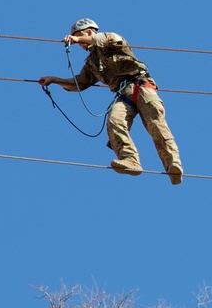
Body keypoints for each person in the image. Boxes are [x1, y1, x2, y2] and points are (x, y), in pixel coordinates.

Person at [39, 19, 183, 185]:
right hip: (123, 94)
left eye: (79, 36)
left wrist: (77, 39)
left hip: (141, 87)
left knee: (156, 125)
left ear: (90, 32)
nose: (78, 42)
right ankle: (130, 161)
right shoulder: (92, 62)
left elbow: (103, 39)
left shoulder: (111, 39)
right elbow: (80, 83)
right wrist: (54, 80)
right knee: (114, 121)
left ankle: (173, 165)